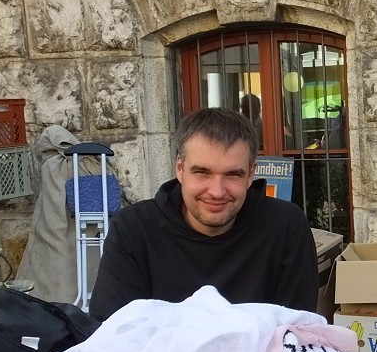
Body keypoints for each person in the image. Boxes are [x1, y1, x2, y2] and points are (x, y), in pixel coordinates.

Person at [89, 107, 318, 320]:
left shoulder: (286, 227)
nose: (217, 192)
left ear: (250, 174)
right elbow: (112, 336)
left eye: (232, 175)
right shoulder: (134, 229)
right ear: (180, 168)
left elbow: (297, 337)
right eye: (202, 172)